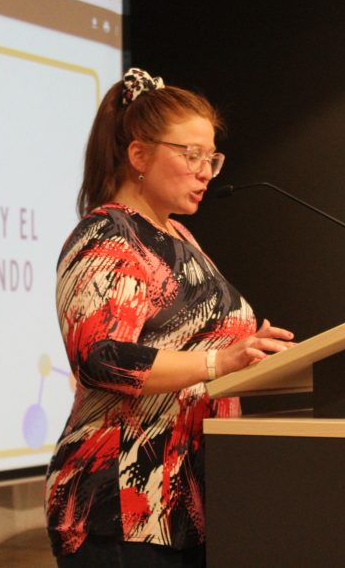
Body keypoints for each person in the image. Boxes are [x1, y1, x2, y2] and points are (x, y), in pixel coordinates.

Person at [45, 68, 295, 567]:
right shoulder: (107, 238)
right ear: (139, 155)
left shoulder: (180, 238)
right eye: (191, 155)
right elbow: (101, 357)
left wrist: (252, 348)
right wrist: (217, 363)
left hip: (187, 501)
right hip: (119, 505)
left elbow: (201, 341)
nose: (206, 170)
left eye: (212, 157)